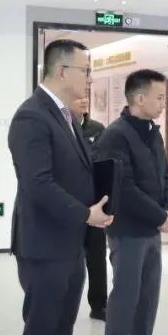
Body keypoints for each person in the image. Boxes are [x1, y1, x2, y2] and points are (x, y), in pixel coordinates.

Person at [7, 39, 113, 335]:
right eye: (86, 70)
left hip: (69, 242)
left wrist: (105, 202)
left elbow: (78, 173)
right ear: (63, 71)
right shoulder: (31, 117)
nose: (89, 78)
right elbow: (38, 183)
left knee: (63, 324)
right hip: (44, 244)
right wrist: (85, 213)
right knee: (41, 328)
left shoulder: (66, 116)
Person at [94, 69, 168, 335]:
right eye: (160, 97)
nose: (164, 103)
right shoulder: (115, 135)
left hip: (151, 229)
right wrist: (158, 215)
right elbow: (124, 187)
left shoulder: (152, 132)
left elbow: (165, 174)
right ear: (139, 98)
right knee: (126, 295)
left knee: (148, 293)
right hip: (128, 229)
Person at [69, 92, 109, 321]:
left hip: (94, 203)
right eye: (78, 97)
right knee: (68, 258)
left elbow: (104, 164)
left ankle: (99, 305)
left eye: (86, 97)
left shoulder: (97, 129)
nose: (83, 100)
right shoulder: (61, 128)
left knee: (97, 256)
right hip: (69, 204)